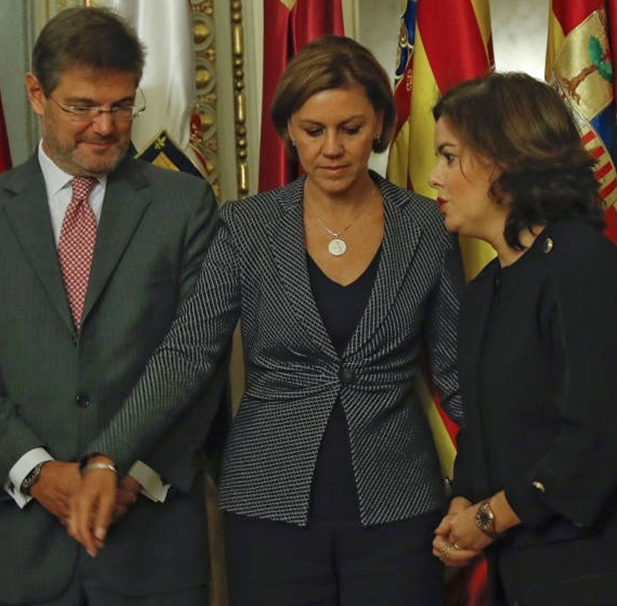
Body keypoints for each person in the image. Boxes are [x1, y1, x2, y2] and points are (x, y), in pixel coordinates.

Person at [69, 34, 466, 605]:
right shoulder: (246, 226)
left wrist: (514, 487)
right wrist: (109, 456)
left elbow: (455, 376)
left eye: (350, 129)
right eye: (313, 130)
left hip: (399, 504)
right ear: (288, 130)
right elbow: (187, 353)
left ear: (380, 124)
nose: (332, 148)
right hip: (267, 507)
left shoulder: (427, 228)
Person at [0, 7, 226, 606]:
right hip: (19, 552)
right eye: (83, 106)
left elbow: (196, 359)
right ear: (37, 94)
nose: (105, 125)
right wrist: (38, 473)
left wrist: (122, 473)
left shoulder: (184, 205)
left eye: (120, 105)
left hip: (152, 548)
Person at [428, 71, 617, 605]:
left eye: (447, 156)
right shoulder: (486, 287)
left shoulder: (582, 263)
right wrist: (462, 503)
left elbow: (597, 439)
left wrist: (488, 519)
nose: (432, 177)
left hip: (590, 573)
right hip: (518, 575)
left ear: (503, 160)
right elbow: (484, 429)